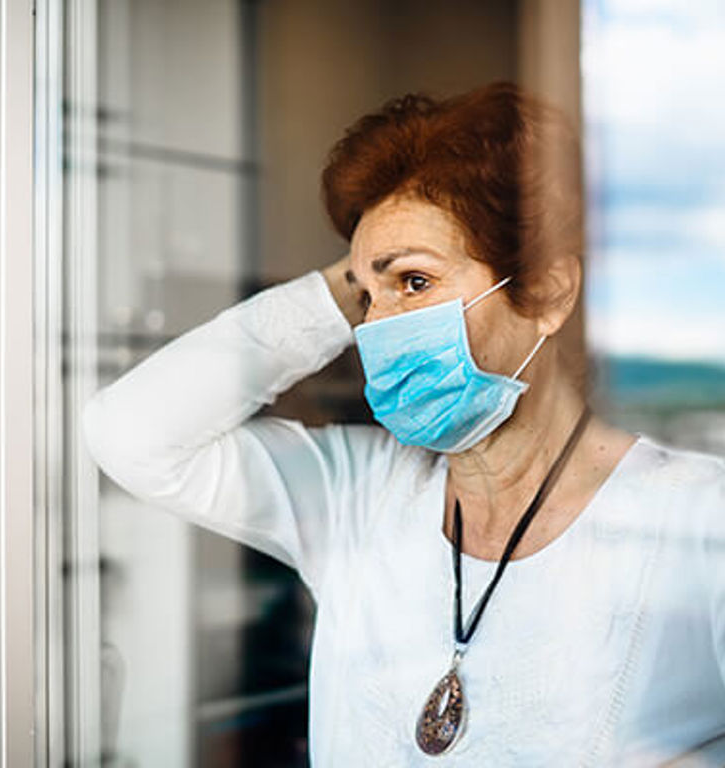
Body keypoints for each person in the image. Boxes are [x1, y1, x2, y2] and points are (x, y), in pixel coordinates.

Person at [81, 81, 725, 766]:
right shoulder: (354, 494)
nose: (378, 327)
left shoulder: (696, 521)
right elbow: (131, 433)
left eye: (414, 283)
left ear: (546, 292)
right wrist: (343, 287)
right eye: (367, 298)